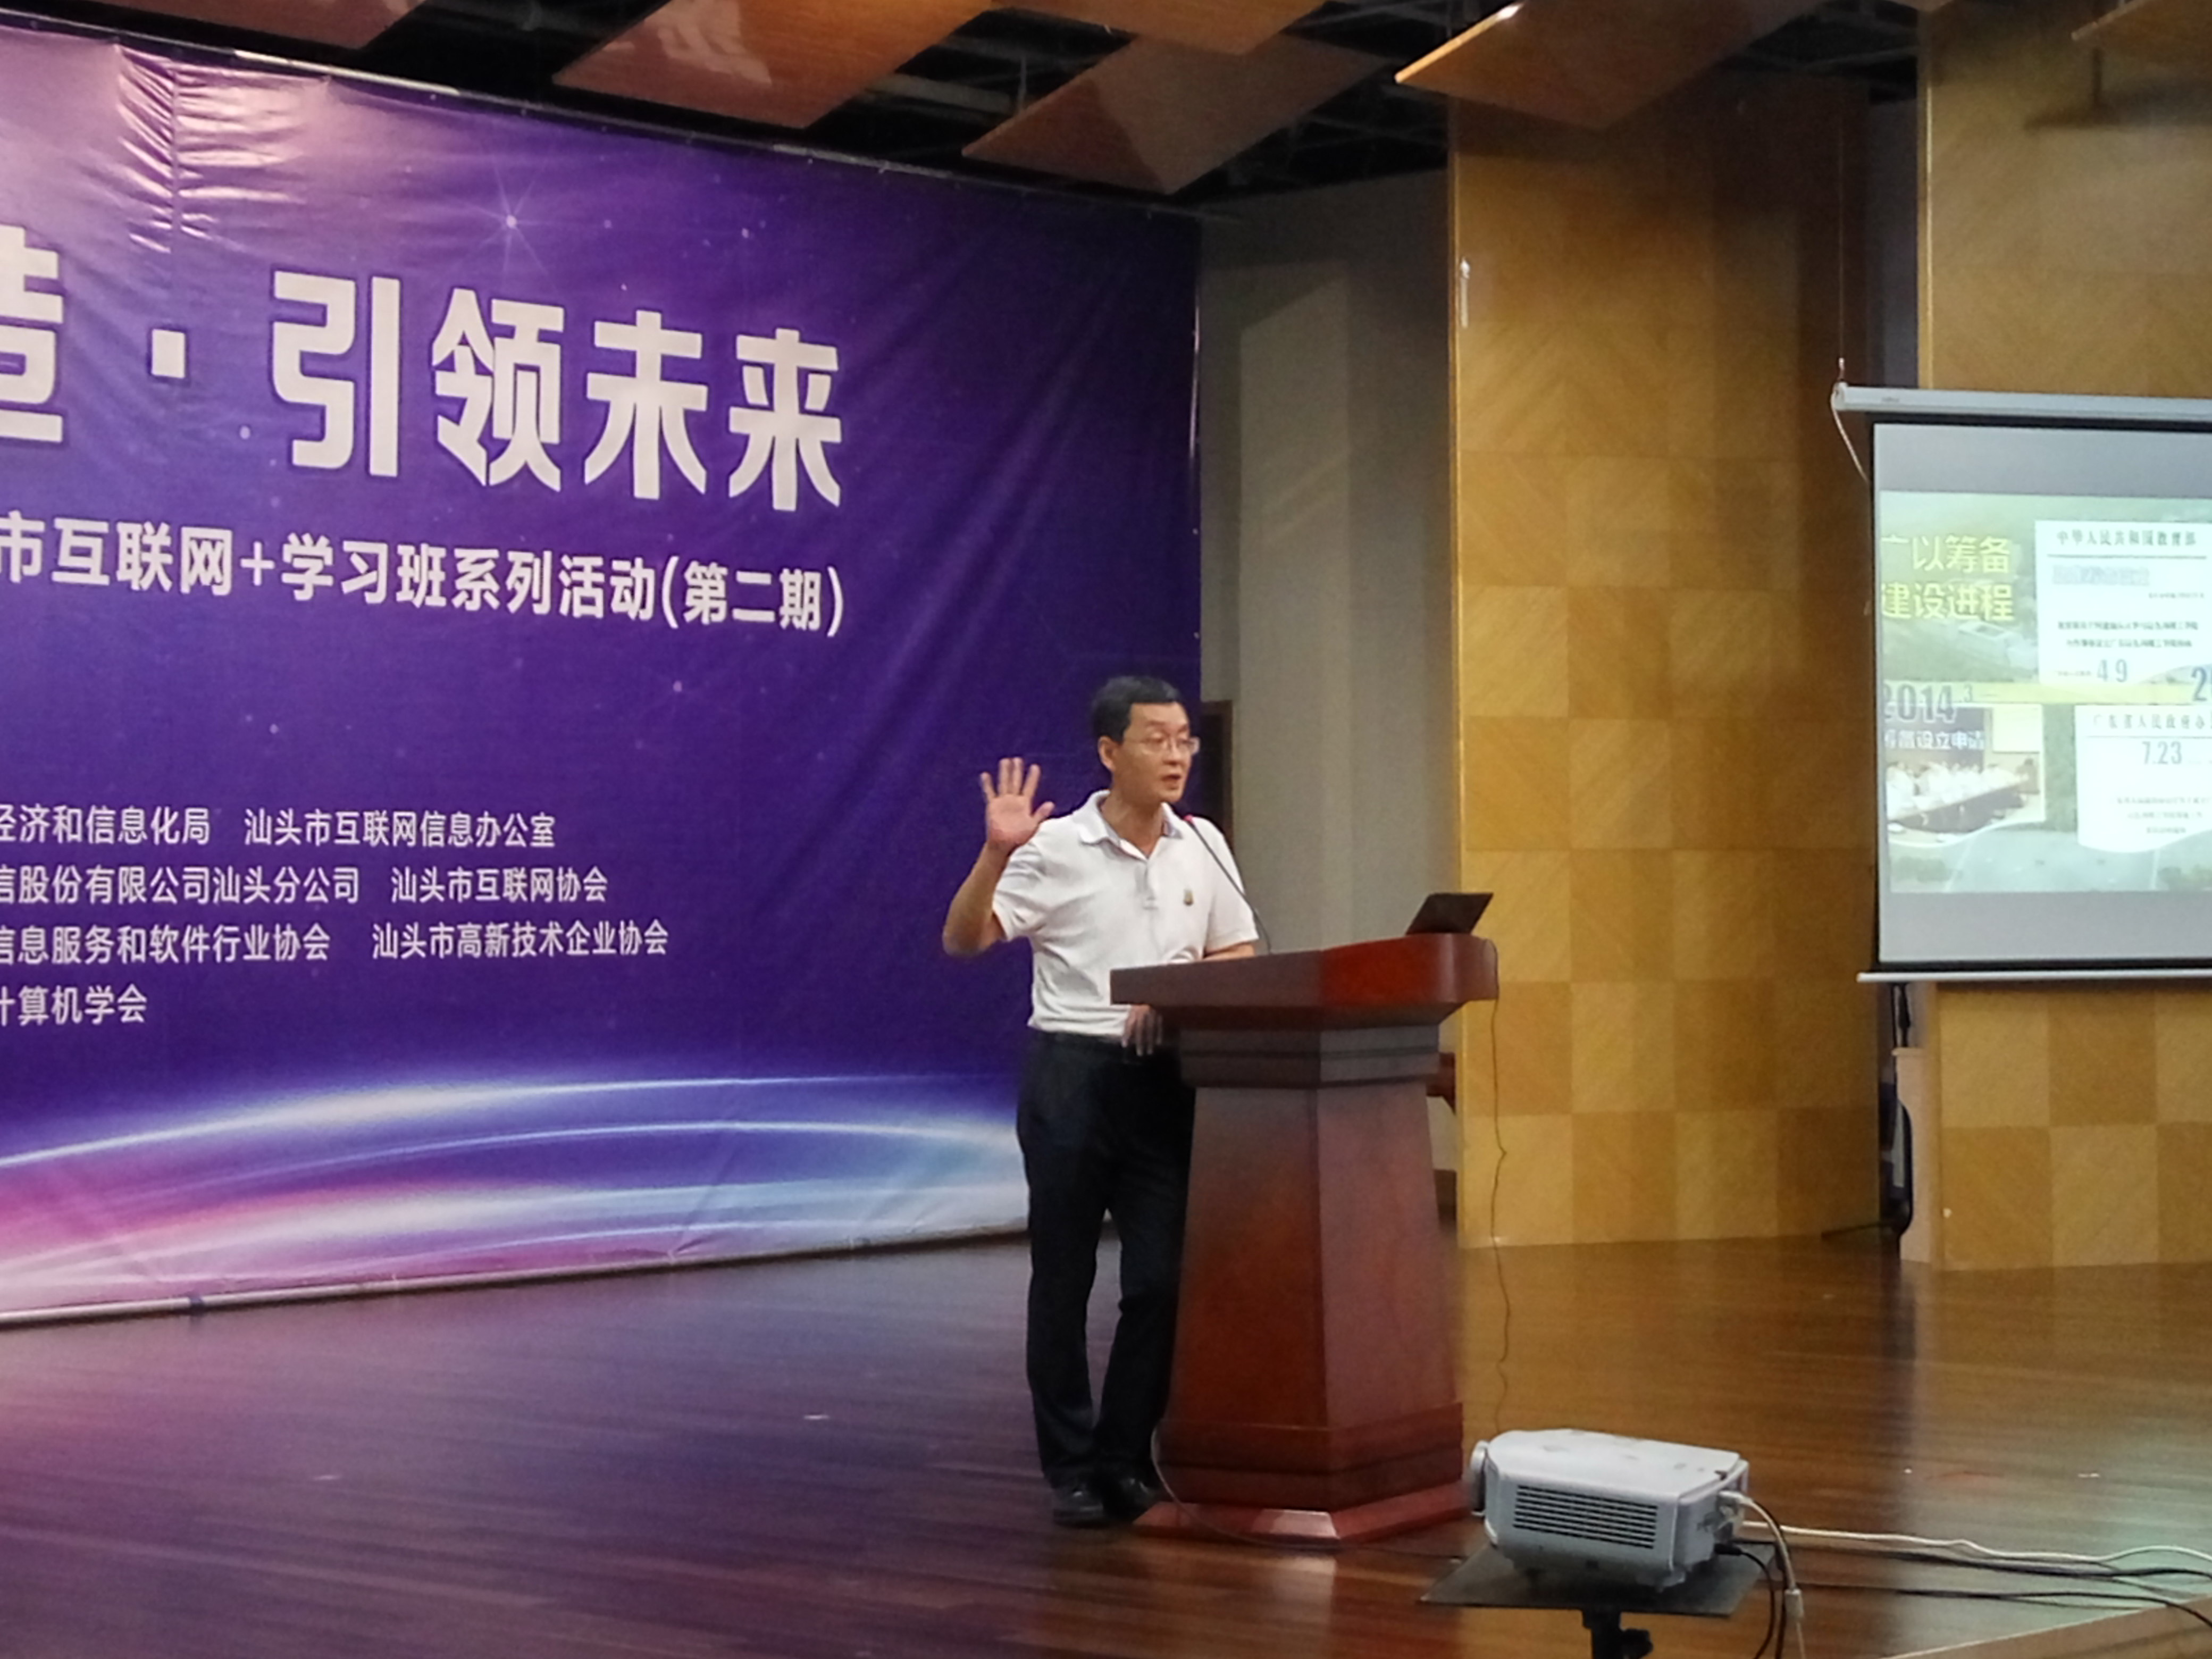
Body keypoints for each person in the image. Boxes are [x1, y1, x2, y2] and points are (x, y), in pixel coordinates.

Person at [942, 675, 1258, 1528]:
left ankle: (1125, 1456)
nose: (1177, 755)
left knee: (1161, 1279)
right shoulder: (1055, 846)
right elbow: (964, 939)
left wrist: (1178, 995)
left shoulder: (1203, 844)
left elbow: (1238, 952)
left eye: (1185, 739)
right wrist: (996, 854)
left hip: (1163, 1079)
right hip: (1072, 1079)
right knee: (1065, 1279)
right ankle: (1072, 1468)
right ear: (1110, 752)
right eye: (1157, 739)